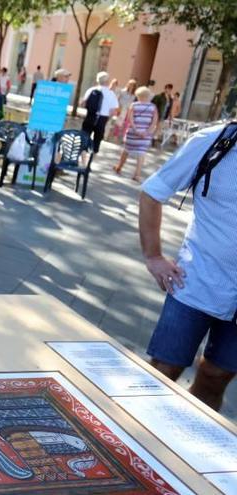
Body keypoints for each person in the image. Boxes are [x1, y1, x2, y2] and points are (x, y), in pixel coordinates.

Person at [138, 122, 237, 411]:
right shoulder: (214, 141)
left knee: (215, 377)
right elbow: (152, 192)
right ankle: (131, 445)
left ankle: (181, 447)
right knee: (163, 372)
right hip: (197, 283)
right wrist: (153, 256)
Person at [113, 86, 158, 181]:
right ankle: (137, 174)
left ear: (138, 95)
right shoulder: (153, 107)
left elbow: (130, 119)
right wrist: (147, 132)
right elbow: (154, 121)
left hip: (133, 133)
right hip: (145, 135)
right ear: (148, 96)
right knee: (141, 154)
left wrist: (136, 130)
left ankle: (119, 167)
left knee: (126, 150)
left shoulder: (134, 105)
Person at [80, 71, 120, 153]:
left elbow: (83, 103)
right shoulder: (111, 93)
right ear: (108, 81)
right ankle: (90, 161)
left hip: (90, 116)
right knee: (97, 141)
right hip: (102, 119)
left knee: (84, 138)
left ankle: (81, 159)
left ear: (98, 80)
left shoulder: (91, 90)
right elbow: (113, 110)